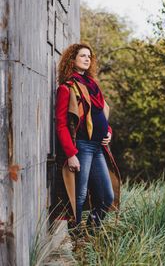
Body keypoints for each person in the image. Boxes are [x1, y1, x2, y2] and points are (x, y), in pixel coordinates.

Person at [53, 43, 120, 235]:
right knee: (79, 195)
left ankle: (92, 231)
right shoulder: (67, 88)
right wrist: (71, 154)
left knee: (107, 197)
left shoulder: (92, 85)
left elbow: (100, 113)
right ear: (72, 60)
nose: (87, 59)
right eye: (82, 56)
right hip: (82, 147)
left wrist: (108, 131)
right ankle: (76, 238)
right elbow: (61, 125)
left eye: (89, 56)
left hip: (98, 147)